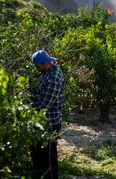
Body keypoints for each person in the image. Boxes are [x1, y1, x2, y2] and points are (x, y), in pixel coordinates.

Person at [30, 49, 65, 179]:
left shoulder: (53, 78)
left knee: (48, 158)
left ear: (44, 63)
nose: (36, 69)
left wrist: (26, 109)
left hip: (50, 123)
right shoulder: (47, 71)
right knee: (37, 154)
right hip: (40, 121)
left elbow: (45, 105)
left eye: (37, 66)